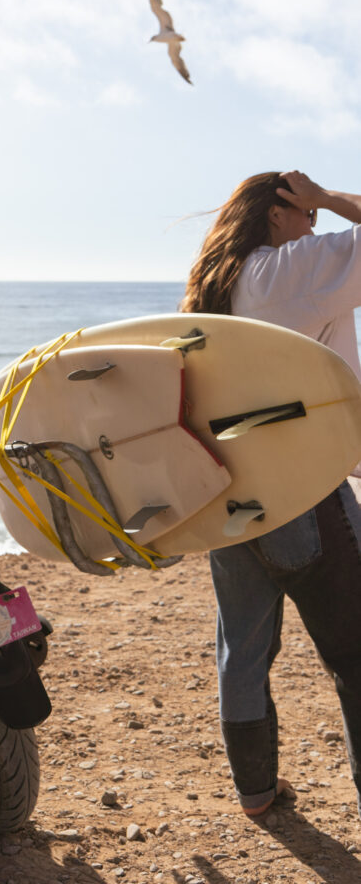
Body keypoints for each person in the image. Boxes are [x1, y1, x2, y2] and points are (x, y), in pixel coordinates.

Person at [180, 170, 361, 817]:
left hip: (224, 493)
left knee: (243, 649)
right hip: (302, 489)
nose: (314, 228)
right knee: (354, 654)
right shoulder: (294, 268)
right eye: (305, 215)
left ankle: (255, 792)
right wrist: (327, 198)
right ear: (279, 214)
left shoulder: (211, 287)